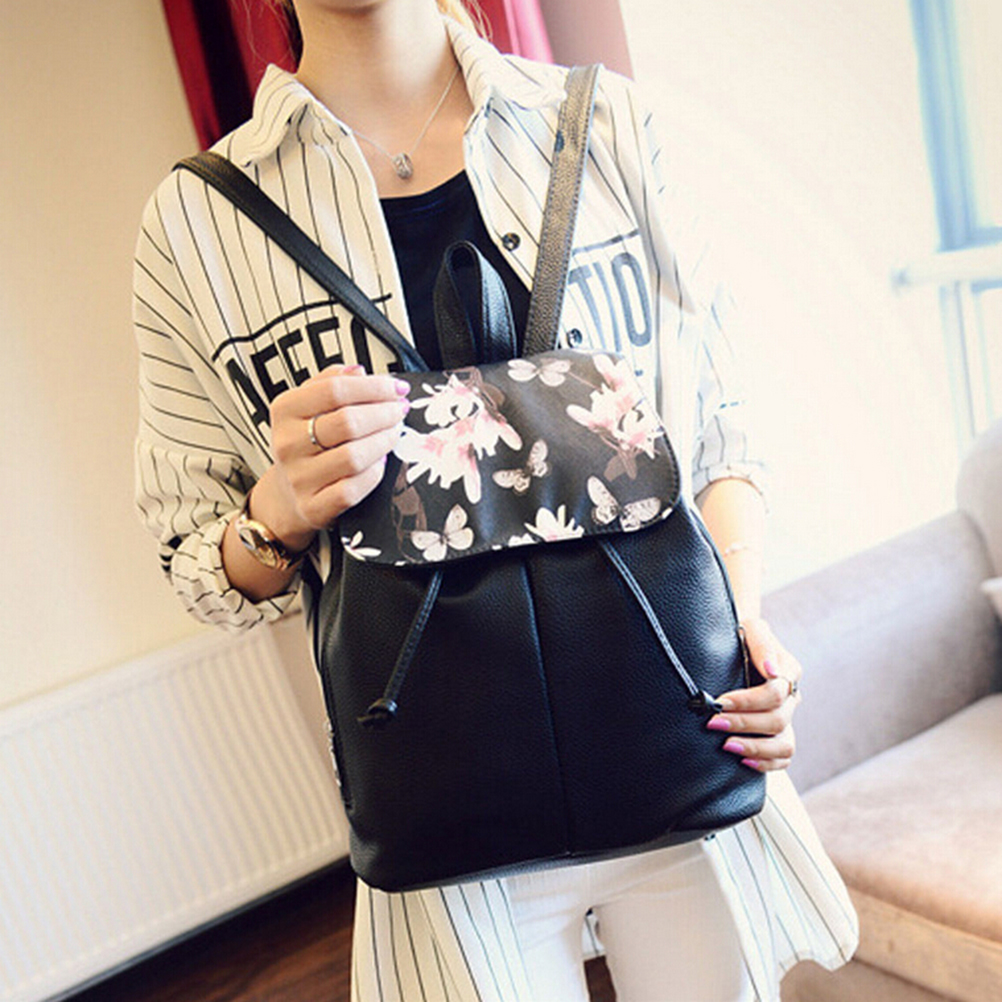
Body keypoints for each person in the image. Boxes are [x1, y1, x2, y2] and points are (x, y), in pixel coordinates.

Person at [133, 1, 859, 998]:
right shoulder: (196, 225)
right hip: (446, 823)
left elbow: (717, 424)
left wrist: (744, 629)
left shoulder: (606, 125)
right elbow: (195, 559)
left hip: (681, 739)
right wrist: (280, 509)